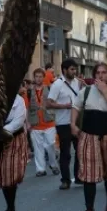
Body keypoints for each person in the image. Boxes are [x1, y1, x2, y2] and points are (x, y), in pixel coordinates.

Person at [71, 62, 107, 211]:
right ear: (94, 75)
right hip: (89, 136)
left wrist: (105, 93)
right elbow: (76, 106)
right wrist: (72, 124)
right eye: (98, 73)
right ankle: (89, 210)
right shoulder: (86, 91)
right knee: (88, 173)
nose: (101, 76)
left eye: (104, 73)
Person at [0, 91, 27, 211]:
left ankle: (11, 208)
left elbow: (19, 120)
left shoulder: (18, 100)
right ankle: (9, 206)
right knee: (0, 172)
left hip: (12, 139)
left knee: (10, 171)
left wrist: (3, 131)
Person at [47, 59, 82, 189]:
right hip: (63, 123)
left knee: (79, 151)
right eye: (72, 69)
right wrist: (64, 106)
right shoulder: (57, 84)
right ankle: (65, 180)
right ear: (64, 70)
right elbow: (48, 103)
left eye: (75, 69)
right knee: (65, 153)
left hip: (76, 122)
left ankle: (78, 177)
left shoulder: (77, 82)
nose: (74, 72)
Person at [27, 68, 59, 177]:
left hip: (49, 121)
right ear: (34, 78)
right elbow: (27, 107)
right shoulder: (29, 90)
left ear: (43, 77)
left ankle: (53, 164)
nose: (38, 78)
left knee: (50, 144)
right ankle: (40, 169)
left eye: (40, 76)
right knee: (38, 148)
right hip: (35, 122)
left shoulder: (49, 88)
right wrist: (27, 123)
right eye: (36, 76)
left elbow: (55, 102)